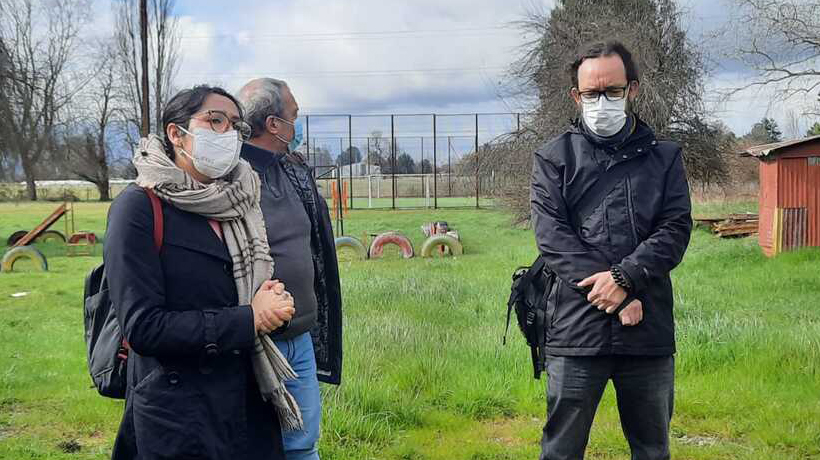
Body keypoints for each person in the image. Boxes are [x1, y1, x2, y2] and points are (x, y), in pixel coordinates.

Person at [105, 85, 299, 460]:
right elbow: (144, 327)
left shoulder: (239, 201)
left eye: (235, 126)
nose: (227, 133)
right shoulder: (138, 208)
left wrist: (273, 304)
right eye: (215, 121)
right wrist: (249, 319)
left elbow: (243, 288)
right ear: (176, 133)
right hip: (179, 415)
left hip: (248, 402)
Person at [530, 41, 692, 460]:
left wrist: (626, 279)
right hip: (575, 332)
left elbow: (674, 229)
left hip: (648, 332)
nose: (601, 102)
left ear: (632, 90)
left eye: (612, 91)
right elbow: (553, 238)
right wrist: (618, 298)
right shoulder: (552, 159)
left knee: (652, 449)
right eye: (591, 93)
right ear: (575, 96)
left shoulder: (666, 158)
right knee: (561, 451)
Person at [236, 78, 343, 460]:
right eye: (293, 116)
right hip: (257, 341)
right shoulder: (231, 178)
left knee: (302, 443)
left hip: (300, 337)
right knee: (259, 445)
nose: (297, 126)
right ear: (273, 125)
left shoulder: (293, 170)